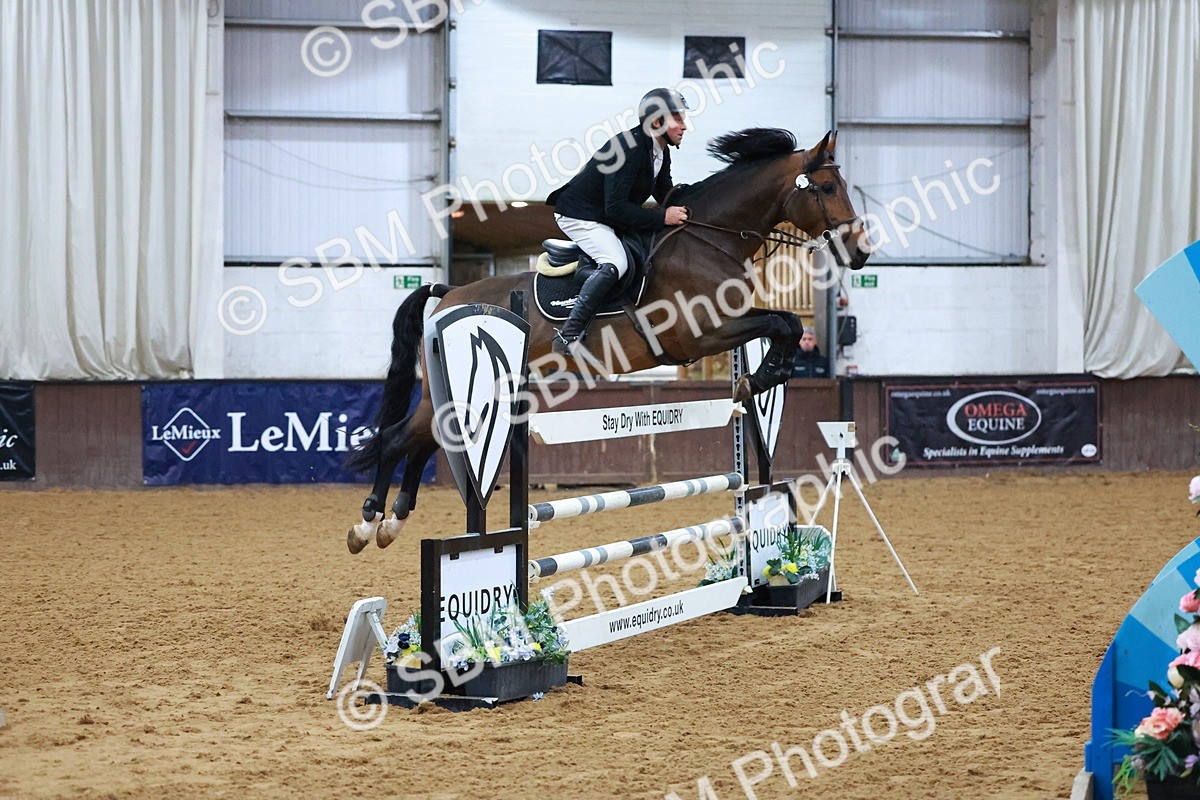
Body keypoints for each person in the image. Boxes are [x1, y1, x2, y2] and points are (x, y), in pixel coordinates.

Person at [545, 87, 692, 354]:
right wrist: (662, 218)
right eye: (678, 119)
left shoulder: (659, 149)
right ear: (657, 122)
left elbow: (665, 194)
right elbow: (616, 209)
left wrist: (695, 203)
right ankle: (568, 334)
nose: (684, 127)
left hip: (604, 215)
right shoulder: (628, 148)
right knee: (616, 262)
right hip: (578, 214)